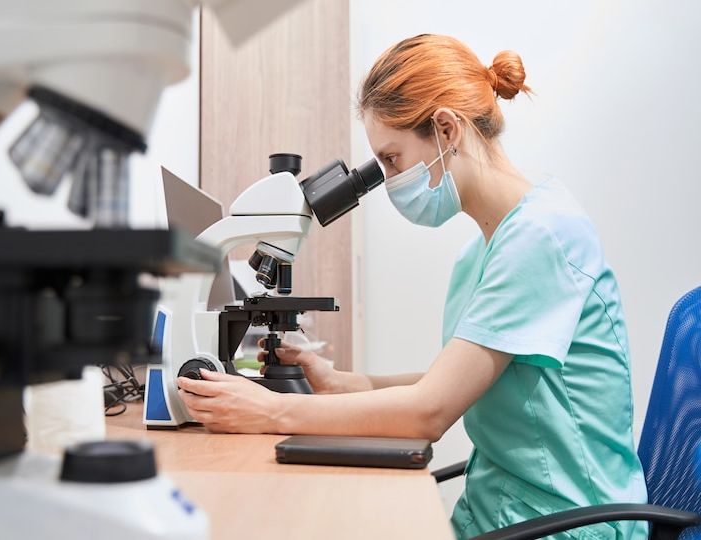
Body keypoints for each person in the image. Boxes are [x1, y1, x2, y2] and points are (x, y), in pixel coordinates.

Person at [177, 34, 648, 539]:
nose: (388, 179)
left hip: (563, 525)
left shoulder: (543, 237)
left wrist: (269, 411)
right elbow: (457, 380)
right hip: (499, 512)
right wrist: (342, 382)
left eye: (392, 159)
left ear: (446, 129)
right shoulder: (485, 250)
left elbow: (430, 411)